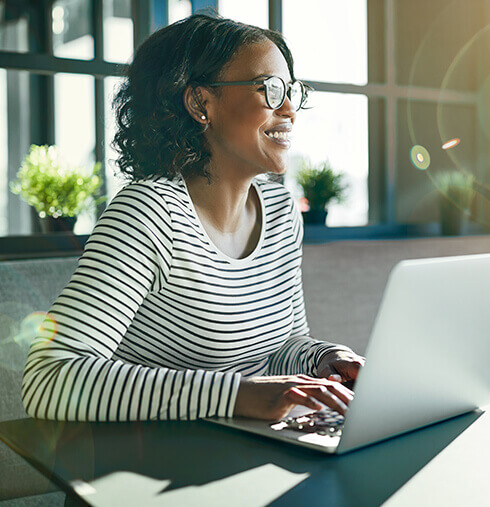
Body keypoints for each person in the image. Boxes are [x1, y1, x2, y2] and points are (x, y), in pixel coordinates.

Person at [21, 13, 364, 423]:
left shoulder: (280, 211)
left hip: (247, 451)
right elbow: (49, 377)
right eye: (270, 90)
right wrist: (236, 395)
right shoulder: (147, 215)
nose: (289, 109)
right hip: (147, 467)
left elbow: (281, 344)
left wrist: (325, 359)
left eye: (291, 90)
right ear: (201, 103)